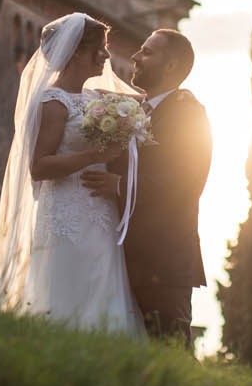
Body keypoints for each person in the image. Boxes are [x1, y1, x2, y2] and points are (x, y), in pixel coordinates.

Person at [0, 12, 143, 335]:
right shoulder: (52, 102)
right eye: (100, 48)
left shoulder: (96, 98)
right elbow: (39, 167)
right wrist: (94, 156)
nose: (107, 56)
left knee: (103, 287)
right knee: (68, 293)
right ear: (77, 51)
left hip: (100, 213)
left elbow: (144, 105)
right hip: (66, 214)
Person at [82, 29, 211, 349]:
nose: (136, 58)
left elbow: (187, 180)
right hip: (119, 253)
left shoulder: (189, 112)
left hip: (163, 259)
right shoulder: (134, 110)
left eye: (147, 52)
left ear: (171, 67)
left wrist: (121, 185)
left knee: (169, 348)